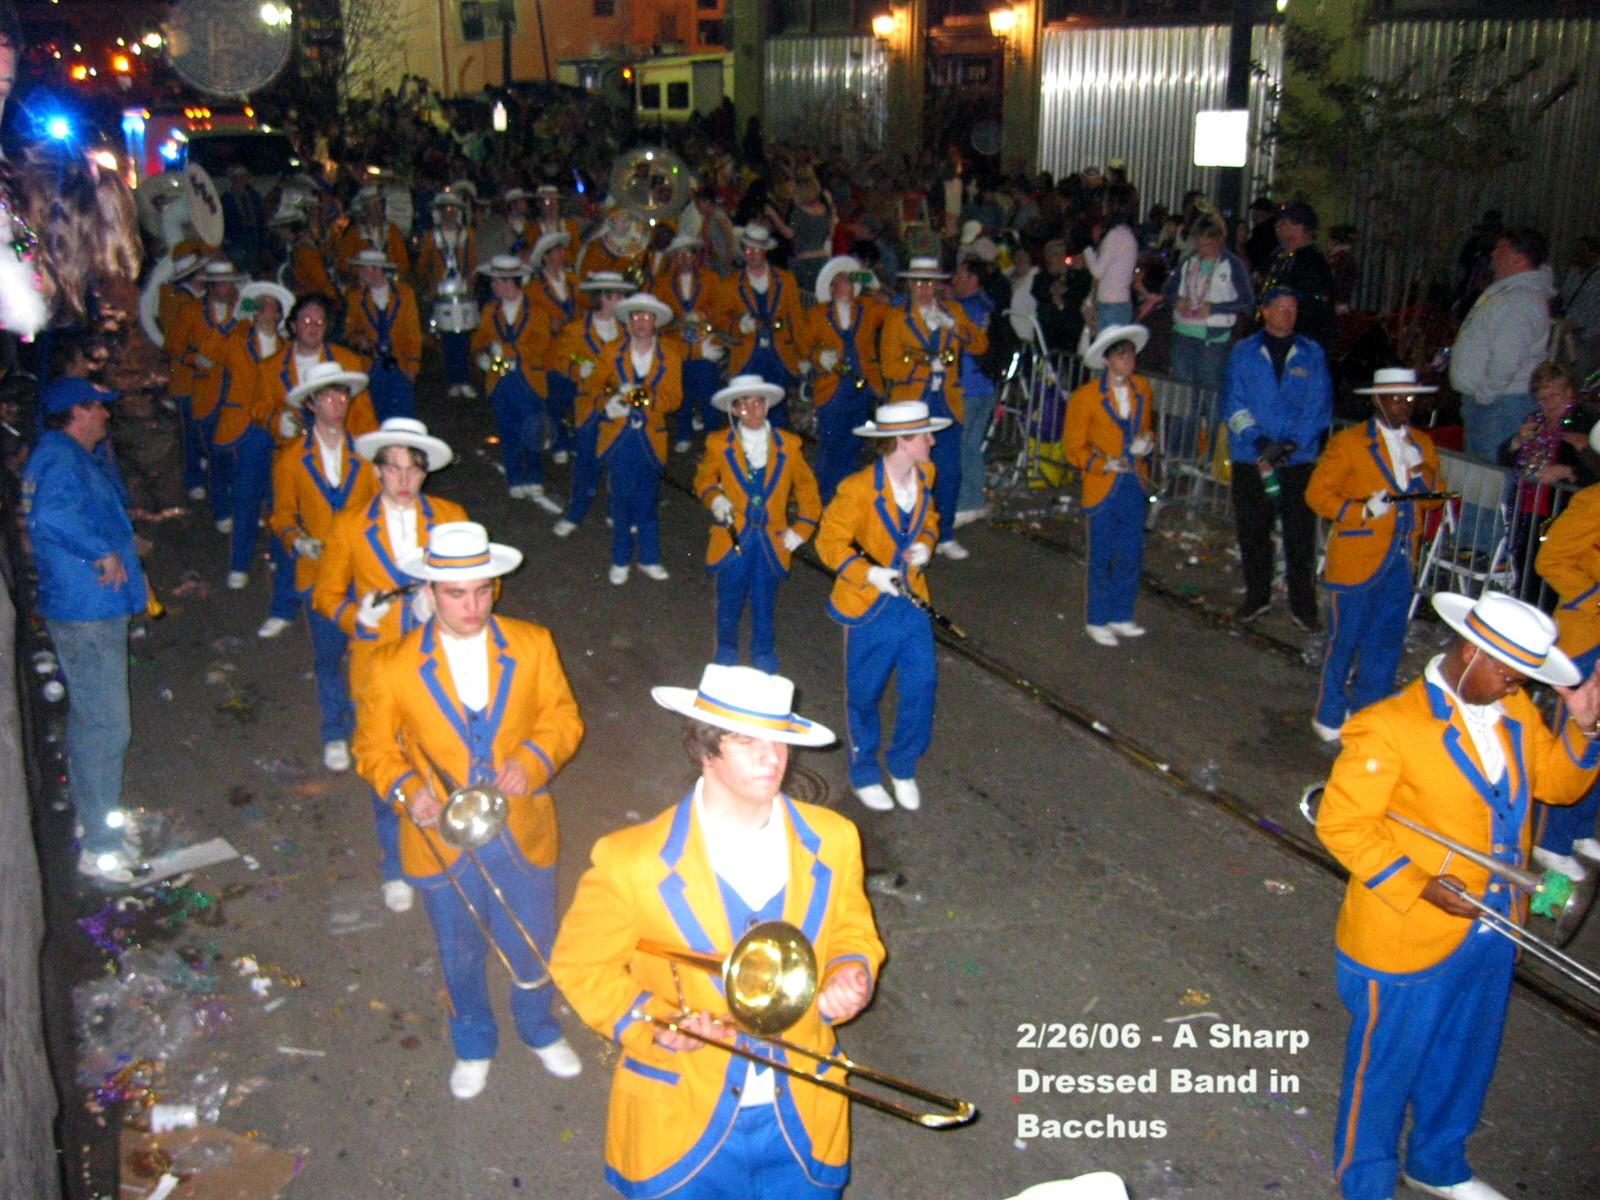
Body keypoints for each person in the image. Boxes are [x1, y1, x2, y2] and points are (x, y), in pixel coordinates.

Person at [548, 663, 882, 1200]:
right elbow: (578, 966)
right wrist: (655, 1023)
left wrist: (852, 970)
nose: (771, 757)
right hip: (680, 1121)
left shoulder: (835, 838)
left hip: (802, 1116)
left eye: (778, 740)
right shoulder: (632, 861)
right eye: (746, 740)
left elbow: (852, 930)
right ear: (704, 749)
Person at [1315, 590, 1600, 1200]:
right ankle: (1365, 1183)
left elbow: (1557, 785)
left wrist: (1584, 727)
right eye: (1506, 673)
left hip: (1494, 924)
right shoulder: (1388, 727)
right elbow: (1341, 825)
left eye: (1523, 678)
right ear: (1470, 653)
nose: (1514, 687)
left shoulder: (1517, 710)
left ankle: (1438, 1163)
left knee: (1464, 1056)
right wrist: (1418, 885)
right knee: (1385, 1072)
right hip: (1406, 932)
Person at [354, 521, 585, 1099]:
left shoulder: (533, 644)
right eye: (457, 593)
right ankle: (473, 1041)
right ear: (429, 593)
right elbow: (373, 749)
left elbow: (564, 718)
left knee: (534, 940)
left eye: (483, 590)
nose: (472, 606)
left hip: (522, 827)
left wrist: (532, 761)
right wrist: (409, 792)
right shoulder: (392, 665)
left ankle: (537, 1027)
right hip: (440, 840)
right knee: (459, 950)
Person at [314, 418, 466, 914]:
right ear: (377, 470)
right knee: (388, 765)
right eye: (393, 468)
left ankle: (451, 849)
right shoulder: (349, 524)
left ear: (426, 474)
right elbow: (325, 595)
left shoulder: (450, 515)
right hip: (377, 662)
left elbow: (483, 583)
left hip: (440, 659)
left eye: (413, 470)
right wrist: (359, 616)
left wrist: (442, 605)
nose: (403, 480)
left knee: (449, 757)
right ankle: (396, 866)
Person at [23, 378, 149, 883]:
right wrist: (99, 550)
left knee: (94, 721)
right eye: (100, 407)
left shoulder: (64, 454)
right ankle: (100, 847)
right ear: (76, 411)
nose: (107, 416)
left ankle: (97, 822)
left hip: (91, 604)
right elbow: (51, 515)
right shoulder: (59, 457)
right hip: (87, 609)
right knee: (106, 725)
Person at [816, 400, 947, 812]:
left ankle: (903, 765)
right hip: (868, 606)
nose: (931, 440)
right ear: (903, 441)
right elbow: (828, 543)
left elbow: (930, 519)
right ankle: (864, 772)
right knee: (864, 693)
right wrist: (869, 574)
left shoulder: (926, 474)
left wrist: (926, 543)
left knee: (922, 685)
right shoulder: (856, 489)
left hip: (912, 602)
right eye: (924, 435)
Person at [1305, 368, 1444, 742]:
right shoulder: (1350, 443)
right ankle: (1330, 712)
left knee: (1385, 643)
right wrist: (1360, 510)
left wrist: (1424, 473)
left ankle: (1367, 716)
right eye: (1397, 399)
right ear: (1377, 400)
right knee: (1344, 639)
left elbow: (1434, 500)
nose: (1404, 407)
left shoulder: (1422, 444)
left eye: (1410, 400)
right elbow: (1317, 495)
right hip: (1357, 556)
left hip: (1400, 556)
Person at [267, 361, 379, 771]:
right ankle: (334, 730)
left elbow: (377, 511)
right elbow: (281, 515)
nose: (337, 403)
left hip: (362, 574)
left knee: (368, 651)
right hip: (318, 577)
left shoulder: (366, 457)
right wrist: (298, 541)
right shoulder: (292, 459)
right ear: (311, 404)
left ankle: (369, 725)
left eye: (343, 394)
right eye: (328, 395)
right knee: (328, 656)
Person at [1220, 285, 1333, 629]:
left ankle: (1303, 606)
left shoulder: (1312, 354)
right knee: (1253, 531)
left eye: (1292, 308)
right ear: (1265, 311)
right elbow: (1233, 402)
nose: (1287, 313)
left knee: (1300, 536)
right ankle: (1257, 597)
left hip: (1297, 463)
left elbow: (1320, 406)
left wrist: (1291, 445)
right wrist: (1259, 441)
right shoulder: (1244, 353)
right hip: (1251, 459)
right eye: (1280, 307)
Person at [693, 375, 821, 672]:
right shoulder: (718, 443)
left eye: (758, 402)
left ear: (767, 405)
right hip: (734, 537)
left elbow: (807, 490)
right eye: (744, 405)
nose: (752, 410)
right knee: (729, 598)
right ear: (734, 410)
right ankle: (725, 649)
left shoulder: (788, 445)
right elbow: (703, 479)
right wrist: (715, 498)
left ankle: (763, 651)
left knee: (764, 600)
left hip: (772, 541)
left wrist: (801, 529)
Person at [876, 256, 987, 560]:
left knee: (949, 472)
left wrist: (955, 327)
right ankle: (907, 534)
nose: (923, 289)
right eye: (918, 282)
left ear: (938, 285)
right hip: (913, 405)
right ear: (909, 285)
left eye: (928, 282)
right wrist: (925, 367)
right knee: (909, 472)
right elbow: (889, 366)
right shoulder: (898, 317)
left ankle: (945, 534)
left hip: (946, 403)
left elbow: (980, 345)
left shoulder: (953, 311)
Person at [1061, 325, 1155, 647]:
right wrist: (1104, 464)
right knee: (1101, 554)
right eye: (1121, 355)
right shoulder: (1086, 397)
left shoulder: (1142, 388)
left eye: (1130, 355)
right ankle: (1097, 617)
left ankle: (1121, 613)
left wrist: (1146, 444)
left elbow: (1146, 430)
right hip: (1103, 484)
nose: (1128, 361)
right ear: (1107, 360)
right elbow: (1073, 447)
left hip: (1134, 482)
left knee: (1131, 552)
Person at [1532, 466, 1600, 881]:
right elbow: (1550, 560)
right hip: (1586, 635)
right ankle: (1549, 839)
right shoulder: (1591, 501)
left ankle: (1578, 829)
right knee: (1574, 734)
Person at [590, 292, 684, 583]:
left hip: (650, 438)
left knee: (647, 501)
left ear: (655, 321)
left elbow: (674, 398)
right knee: (620, 501)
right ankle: (620, 559)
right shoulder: (611, 350)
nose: (641, 322)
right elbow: (593, 386)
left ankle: (649, 558)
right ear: (628, 321)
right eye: (635, 317)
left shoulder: (670, 353)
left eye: (646, 317)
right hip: (619, 437)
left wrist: (647, 398)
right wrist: (608, 403)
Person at [1448, 226, 1555, 464]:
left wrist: (1484, 395)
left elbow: (1507, 357)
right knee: (1481, 479)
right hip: (1494, 403)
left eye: (1499, 249)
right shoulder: (1512, 294)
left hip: (1498, 406)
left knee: (1489, 480)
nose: (1493, 254)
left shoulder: (1518, 300)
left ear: (1518, 257)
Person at [215, 280, 294, 590]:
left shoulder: (289, 349)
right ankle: (239, 563)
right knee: (246, 497)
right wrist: (236, 315)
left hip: (279, 431)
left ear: (279, 313)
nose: (263, 309)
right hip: (247, 430)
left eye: (269, 304)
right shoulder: (237, 341)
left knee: (280, 499)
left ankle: (277, 554)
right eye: (257, 304)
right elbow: (211, 349)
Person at [471, 254, 561, 511]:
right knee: (507, 429)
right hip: (501, 378)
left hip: (527, 378)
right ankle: (515, 477)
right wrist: (481, 355)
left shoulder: (537, 312)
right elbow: (481, 339)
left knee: (531, 430)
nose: (494, 287)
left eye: (498, 282)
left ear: (512, 282)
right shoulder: (490, 310)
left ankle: (534, 475)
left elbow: (539, 344)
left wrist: (506, 350)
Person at [550, 271, 632, 537]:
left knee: (618, 461)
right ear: (600, 299)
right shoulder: (576, 329)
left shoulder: (627, 330)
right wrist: (577, 367)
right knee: (587, 460)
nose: (618, 301)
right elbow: (561, 358)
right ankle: (575, 512)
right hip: (589, 405)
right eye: (613, 296)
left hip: (619, 404)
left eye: (621, 296)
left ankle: (615, 511)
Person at [799, 255, 877, 504]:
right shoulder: (817, 314)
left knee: (854, 442)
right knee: (830, 443)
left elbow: (891, 304)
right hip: (832, 388)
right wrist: (819, 356)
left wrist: (870, 278)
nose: (849, 287)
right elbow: (801, 346)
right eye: (843, 282)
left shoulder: (867, 308)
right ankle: (823, 496)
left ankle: (847, 495)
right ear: (832, 287)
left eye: (852, 282)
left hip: (861, 387)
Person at [712, 223, 804, 404]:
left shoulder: (786, 280)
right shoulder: (730, 284)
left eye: (757, 249)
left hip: (779, 355)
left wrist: (803, 355)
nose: (751, 253)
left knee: (778, 412)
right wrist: (740, 326)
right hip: (747, 356)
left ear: (765, 251)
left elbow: (797, 320)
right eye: (747, 249)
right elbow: (718, 320)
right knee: (749, 408)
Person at [653, 234, 728, 451]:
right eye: (680, 253)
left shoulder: (711, 279)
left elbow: (721, 311)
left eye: (688, 252)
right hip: (677, 348)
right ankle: (683, 433)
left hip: (705, 346)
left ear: (695, 256)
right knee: (680, 393)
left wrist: (702, 318)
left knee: (708, 393)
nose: (684, 257)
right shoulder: (663, 283)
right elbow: (660, 317)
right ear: (675, 257)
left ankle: (713, 437)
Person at [342, 249, 422, 422]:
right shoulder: (355, 297)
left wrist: (412, 367)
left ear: (378, 270)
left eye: (364, 269)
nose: (361, 273)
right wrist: (359, 340)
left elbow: (413, 332)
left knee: (403, 415)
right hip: (371, 365)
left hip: (399, 363)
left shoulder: (405, 294)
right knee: (375, 413)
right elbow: (349, 332)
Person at [415, 189, 479, 400]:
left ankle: (465, 380)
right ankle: (453, 380)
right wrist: (429, 287)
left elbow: (473, 264)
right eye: (445, 209)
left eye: (452, 209)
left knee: (464, 338)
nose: (449, 213)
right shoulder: (431, 237)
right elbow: (423, 267)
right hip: (441, 293)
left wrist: (469, 283)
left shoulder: (467, 235)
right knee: (448, 339)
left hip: (462, 293)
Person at [1261, 201, 1336, 349]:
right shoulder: (1280, 257)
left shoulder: (1311, 262)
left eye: (1284, 223)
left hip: (1298, 342)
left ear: (1299, 227)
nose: (1278, 227)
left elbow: (1314, 308)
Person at [1082, 182, 1139, 331]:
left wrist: (1087, 248)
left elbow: (1097, 271)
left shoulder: (1116, 235)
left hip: (1112, 304)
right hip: (1115, 302)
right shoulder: (1125, 233)